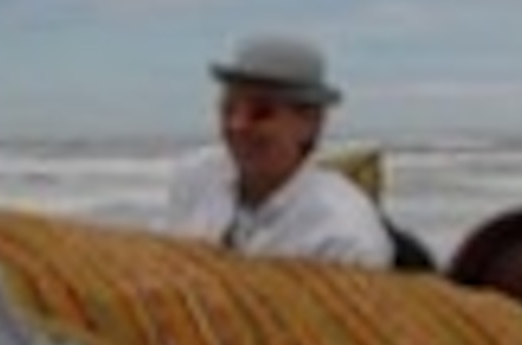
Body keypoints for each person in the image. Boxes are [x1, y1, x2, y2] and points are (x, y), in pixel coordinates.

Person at [164, 33, 396, 267]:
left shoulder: (344, 238)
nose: (237, 125)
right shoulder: (196, 175)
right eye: (228, 109)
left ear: (310, 123)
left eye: (261, 113)